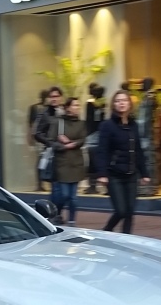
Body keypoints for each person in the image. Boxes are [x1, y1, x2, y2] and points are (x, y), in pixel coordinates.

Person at [95, 89, 150, 233]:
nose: (121, 103)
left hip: (131, 175)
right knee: (121, 211)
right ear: (113, 104)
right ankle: (106, 231)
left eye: (124, 100)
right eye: (118, 101)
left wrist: (144, 173)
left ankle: (127, 239)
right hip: (115, 175)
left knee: (130, 212)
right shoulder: (107, 126)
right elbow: (102, 151)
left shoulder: (134, 125)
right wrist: (102, 174)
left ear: (129, 104)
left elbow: (138, 150)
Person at [49, 97, 87, 226]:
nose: (77, 107)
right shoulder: (58, 123)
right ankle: (58, 213)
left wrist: (70, 143)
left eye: (78, 105)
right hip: (62, 162)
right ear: (68, 107)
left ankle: (72, 220)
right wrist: (63, 146)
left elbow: (83, 139)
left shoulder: (81, 123)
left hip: (76, 162)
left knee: (73, 197)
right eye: (75, 105)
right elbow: (51, 141)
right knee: (64, 194)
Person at [33, 86, 63, 190]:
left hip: (65, 151)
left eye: (56, 96)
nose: (54, 99)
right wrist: (49, 142)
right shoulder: (44, 114)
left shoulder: (65, 112)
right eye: (51, 96)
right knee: (55, 184)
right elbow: (37, 133)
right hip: (51, 151)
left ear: (60, 97)